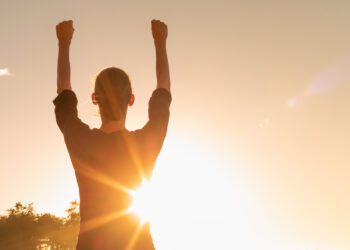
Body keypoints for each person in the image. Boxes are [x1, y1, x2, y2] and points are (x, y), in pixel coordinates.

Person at [53, 19, 171, 249]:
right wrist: (160, 42)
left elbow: (63, 90)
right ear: (132, 100)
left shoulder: (80, 139)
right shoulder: (146, 142)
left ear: (95, 99)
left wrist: (64, 43)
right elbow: (163, 89)